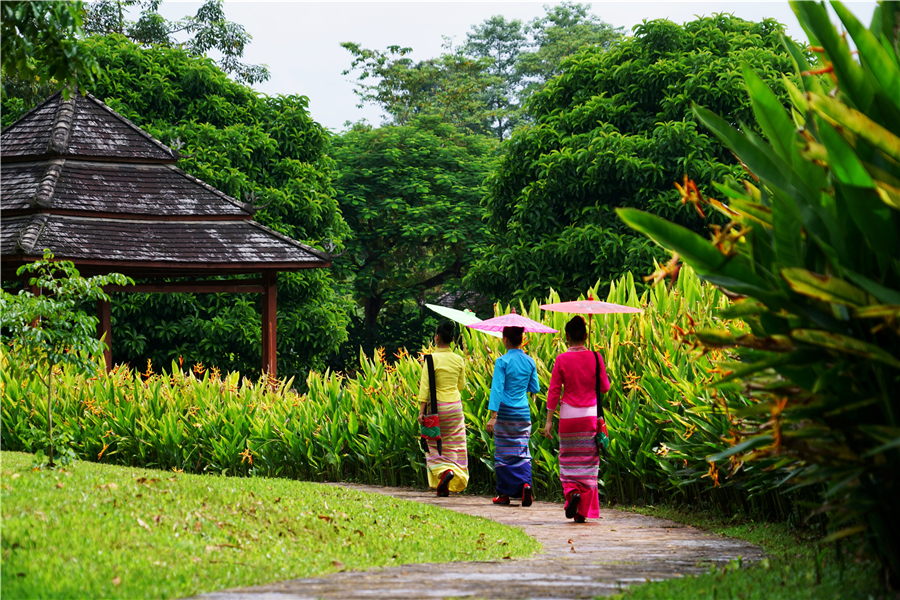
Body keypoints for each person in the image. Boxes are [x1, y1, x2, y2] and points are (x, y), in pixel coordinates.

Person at [542, 315, 610, 523]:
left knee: (569, 461)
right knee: (588, 465)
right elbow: (605, 387)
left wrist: (548, 421)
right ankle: (583, 511)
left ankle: (572, 493)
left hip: (568, 417)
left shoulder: (562, 359)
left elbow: (553, 392)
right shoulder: (596, 358)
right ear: (586, 335)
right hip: (589, 415)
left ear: (567, 336)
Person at [486, 326, 540, 507]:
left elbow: (497, 390)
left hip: (505, 412)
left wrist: (493, 416)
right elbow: (535, 388)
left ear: (505, 340)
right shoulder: (530, 361)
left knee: (502, 453)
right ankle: (526, 485)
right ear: (521, 338)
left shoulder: (502, 361)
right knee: (522, 451)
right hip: (523, 411)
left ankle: (504, 494)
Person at [417, 321, 469, 497]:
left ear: (436, 337)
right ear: (453, 339)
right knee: (454, 444)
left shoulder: (430, 359)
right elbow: (461, 385)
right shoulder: (458, 359)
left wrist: (421, 413)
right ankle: (447, 482)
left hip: (437, 409)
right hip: (455, 407)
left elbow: (424, 389)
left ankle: (443, 473)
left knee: (433, 444)